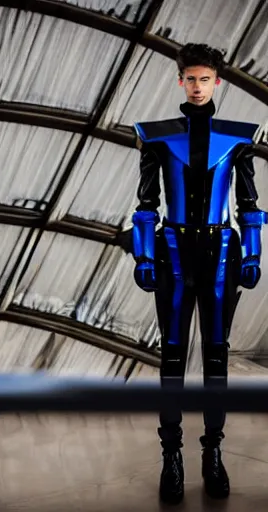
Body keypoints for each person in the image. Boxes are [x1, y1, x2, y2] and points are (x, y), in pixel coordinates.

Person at [131, 43, 266, 504]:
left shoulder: (238, 138)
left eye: (205, 79)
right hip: (172, 250)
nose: (197, 86)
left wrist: (253, 252)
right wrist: (144, 256)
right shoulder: (157, 136)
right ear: (180, 80)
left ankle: (213, 454)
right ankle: (172, 455)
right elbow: (146, 205)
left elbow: (250, 203)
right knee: (171, 358)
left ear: (217, 82)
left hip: (221, 251)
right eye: (190, 78)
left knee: (215, 357)